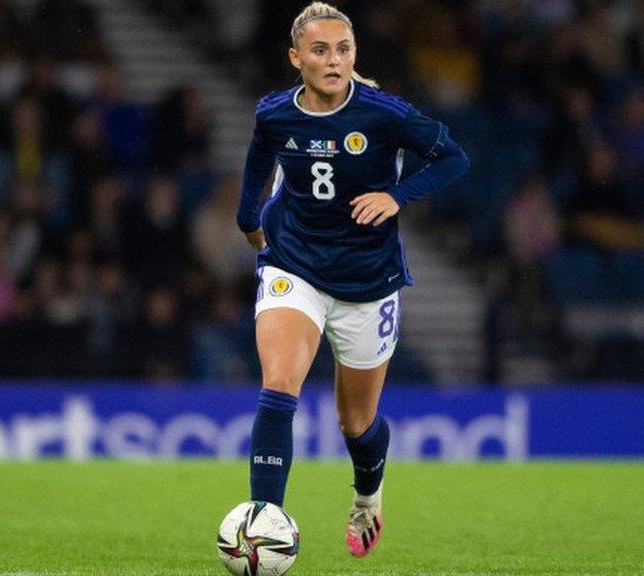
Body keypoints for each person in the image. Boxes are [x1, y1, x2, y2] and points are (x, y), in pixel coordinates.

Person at [236, 2, 469, 558]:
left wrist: (396, 195)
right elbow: (255, 169)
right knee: (279, 383)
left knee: (356, 423)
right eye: (320, 50)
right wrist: (250, 225)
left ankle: (368, 494)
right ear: (297, 58)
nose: (334, 59)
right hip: (295, 266)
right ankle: (264, 524)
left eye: (343, 49)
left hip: (368, 279)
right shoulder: (274, 115)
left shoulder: (385, 114)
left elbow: (453, 159)